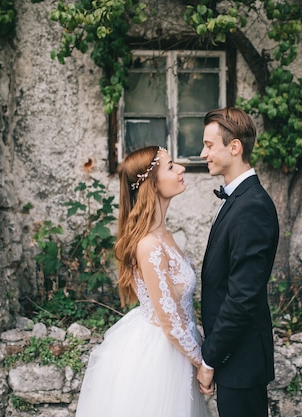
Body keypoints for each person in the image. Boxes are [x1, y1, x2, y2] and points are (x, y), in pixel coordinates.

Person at [75, 146, 209, 417]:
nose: (181, 169)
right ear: (153, 184)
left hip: (178, 348)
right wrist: (202, 362)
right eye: (171, 166)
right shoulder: (149, 245)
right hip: (162, 356)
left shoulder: (163, 235)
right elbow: (168, 320)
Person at [196, 108, 279, 417]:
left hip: (240, 360)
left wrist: (210, 360)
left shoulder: (251, 206)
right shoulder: (240, 200)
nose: (203, 153)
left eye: (209, 145)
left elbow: (242, 296)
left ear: (234, 147)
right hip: (236, 358)